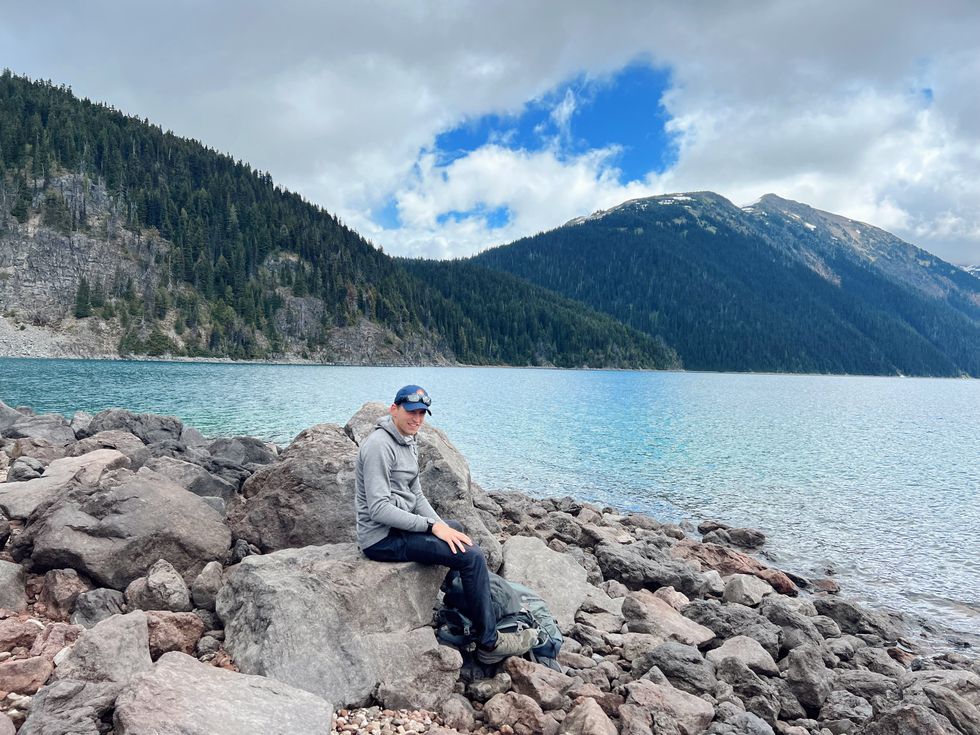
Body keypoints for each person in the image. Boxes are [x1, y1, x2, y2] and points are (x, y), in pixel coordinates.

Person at [355, 384, 538, 664]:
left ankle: (459, 602)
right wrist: (431, 527)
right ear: (394, 409)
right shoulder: (380, 446)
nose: (417, 419)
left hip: (399, 528)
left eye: (422, 414)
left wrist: (441, 525)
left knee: (456, 530)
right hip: (381, 539)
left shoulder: (408, 439)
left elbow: (415, 495)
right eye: (411, 412)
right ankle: (489, 642)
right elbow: (378, 510)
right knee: (472, 556)